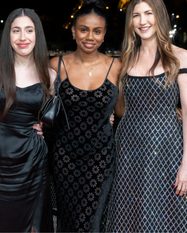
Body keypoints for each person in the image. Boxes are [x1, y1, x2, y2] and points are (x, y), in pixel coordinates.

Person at [104, 0, 187, 231]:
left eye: (148, 14)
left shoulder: (180, 56)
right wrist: (107, 113)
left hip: (168, 149)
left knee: (168, 217)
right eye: (136, 15)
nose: (142, 21)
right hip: (129, 149)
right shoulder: (126, 57)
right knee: (131, 217)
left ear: (159, 16)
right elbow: (120, 106)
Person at [0, 8, 55, 232]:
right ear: (8, 35)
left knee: (33, 225)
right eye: (16, 30)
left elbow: (54, 118)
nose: (22, 37)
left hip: (33, 162)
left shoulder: (50, 75)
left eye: (29, 30)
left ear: (37, 35)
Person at [48, 0, 121, 231]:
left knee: (91, 222)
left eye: (97, 31)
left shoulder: (116, 66)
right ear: (73, 31)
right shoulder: (56, 64)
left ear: (104, 34)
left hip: (101, 158)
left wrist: (170, 109)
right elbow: (39, 104)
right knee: (68, 220)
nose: (90, 36)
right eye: (84, 29)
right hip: (64, 157)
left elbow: (121, 111)